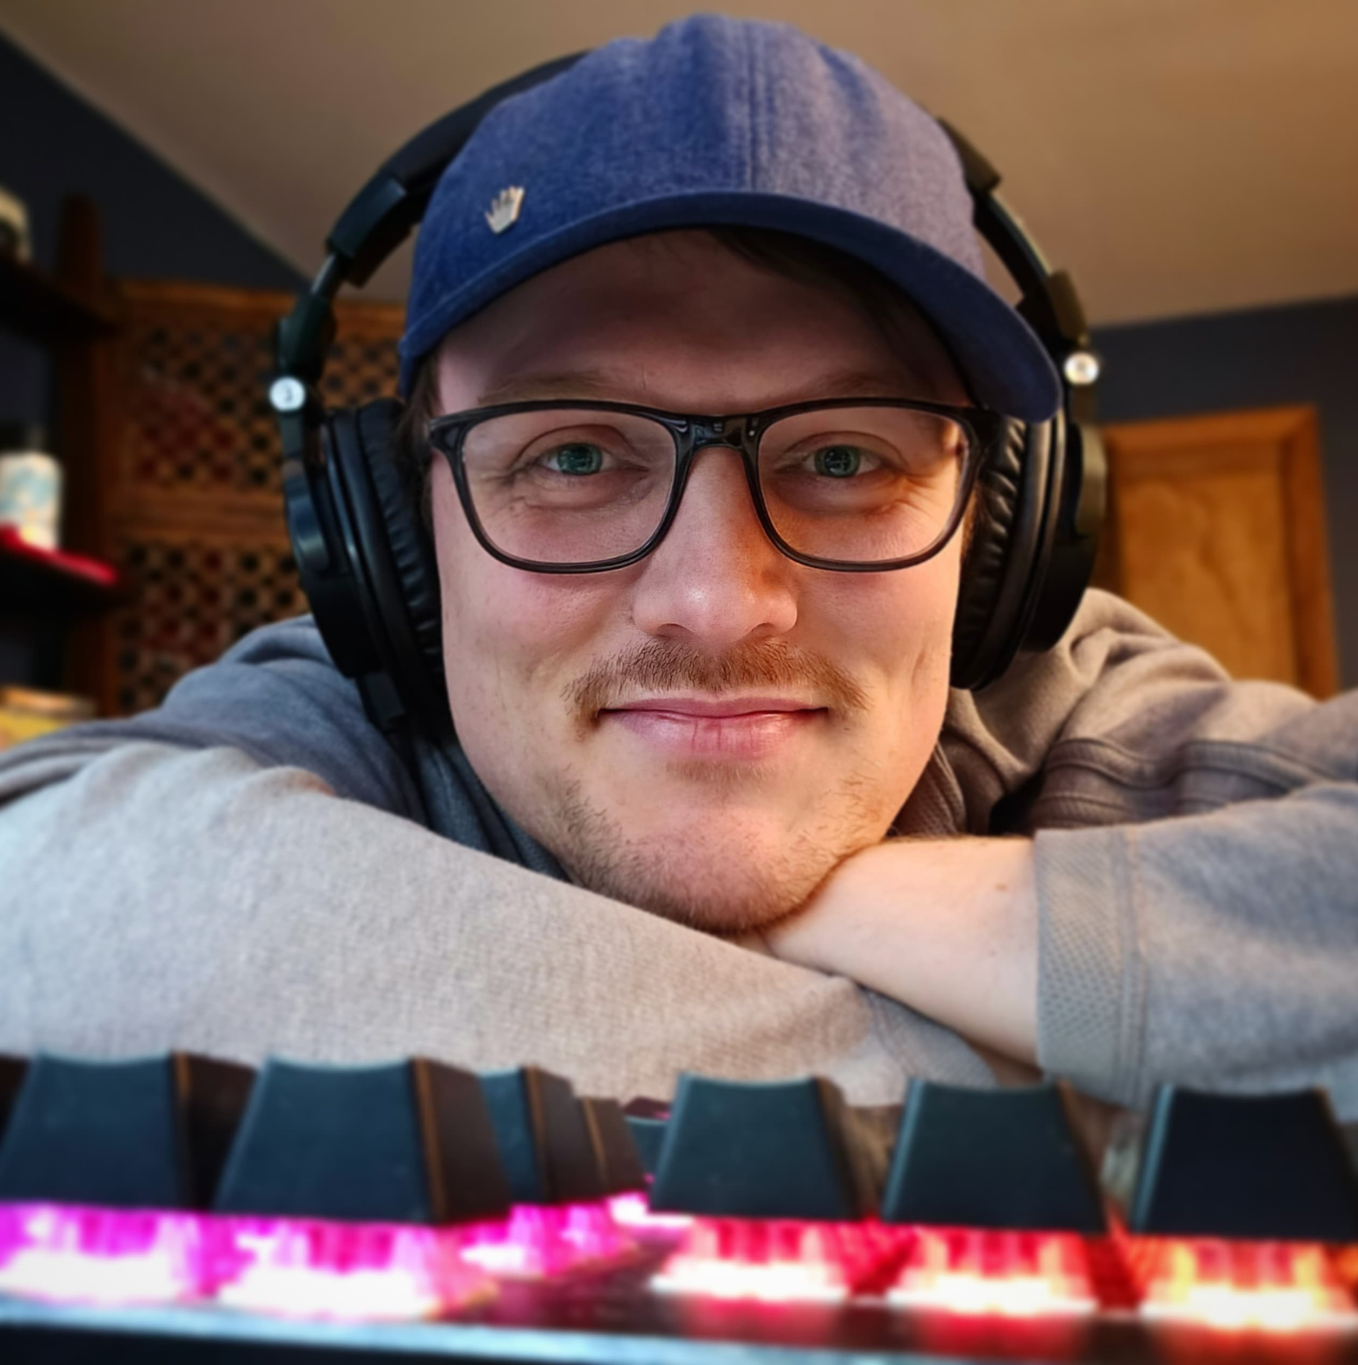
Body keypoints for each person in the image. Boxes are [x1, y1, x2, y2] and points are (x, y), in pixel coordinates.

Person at [2, 14, 1357, 1116]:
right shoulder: (354, 705)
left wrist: (875, 918)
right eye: (574, 458)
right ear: (401, 539)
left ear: (1003, 534)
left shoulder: (1079, 710)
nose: (713, 603)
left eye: (842, 459)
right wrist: (1063, 1059)